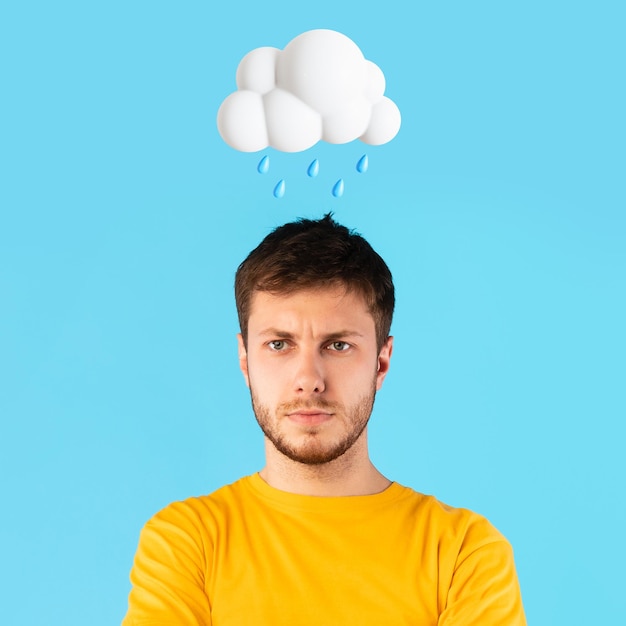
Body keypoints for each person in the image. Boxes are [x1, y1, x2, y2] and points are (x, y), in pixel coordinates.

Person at [122, 214, 526, 625]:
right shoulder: (187, 542)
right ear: (245, 361)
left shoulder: (463, 552)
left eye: (337, 345)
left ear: (381, 363)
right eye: (279, 344)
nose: (309, 380)